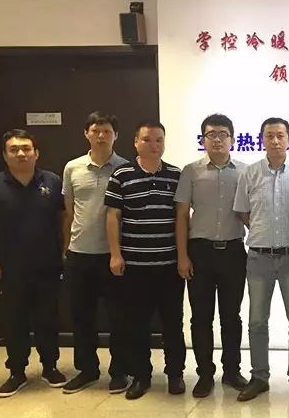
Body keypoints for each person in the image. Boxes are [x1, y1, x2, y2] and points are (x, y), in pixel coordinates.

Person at [0, 129, 67, 397]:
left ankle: (50, 366)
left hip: (47, 264)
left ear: (36, 153)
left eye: (26, 148)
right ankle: (17, 371)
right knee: (15, 320)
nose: (21, 153)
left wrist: (64, 252)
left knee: (48, 318)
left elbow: (63, 219)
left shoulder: (52, 182)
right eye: (14, 149)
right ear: (5, 155)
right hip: (10, 267)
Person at [105, 120, 186, 400]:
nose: (154, 145)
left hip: (169, 266)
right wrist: (115, 253)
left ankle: (175, 374)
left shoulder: (176, 175)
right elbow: (113, 216)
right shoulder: (122, 175)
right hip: (135, 266)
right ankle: (142, 376)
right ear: (135, 142)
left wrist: (182, 257)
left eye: (159, 140)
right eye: (147, 140)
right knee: (137, 324)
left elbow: (181, 218)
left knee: (173, 324)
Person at [233, 117, 289, 403]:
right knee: (257, 321)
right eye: (270, 136)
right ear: (262, 140)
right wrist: (261, 231)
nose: (275, 141)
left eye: (280, 135)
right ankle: (259, 377)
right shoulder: (249, 173)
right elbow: (242, 211)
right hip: (259, 258)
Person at [175, 114, 248, 398]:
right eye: (211, 134)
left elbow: (250, 213)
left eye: (223, 134)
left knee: (232, 316)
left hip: (233, 252)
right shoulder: (191, 171)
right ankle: (205, 374)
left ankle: (232, 371)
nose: (217, 139)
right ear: (203, 139)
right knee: (201, 317)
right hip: (200, 252)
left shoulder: (244, 172)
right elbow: (182, 215)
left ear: (232, 139)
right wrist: (183, 256)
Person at [61, 112, 130, 395]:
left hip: (114, 254)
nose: (101, 136)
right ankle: (87, 370)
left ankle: (119, 371)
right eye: (95, 130)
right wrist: (65, 247)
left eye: (107, 131)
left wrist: (119, 252)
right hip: (80, 254)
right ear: (86, 133)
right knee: (81, 316)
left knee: (119, 317)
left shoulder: (126, 168)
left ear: (116, 135)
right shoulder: (72, 168)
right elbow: (69, 211)